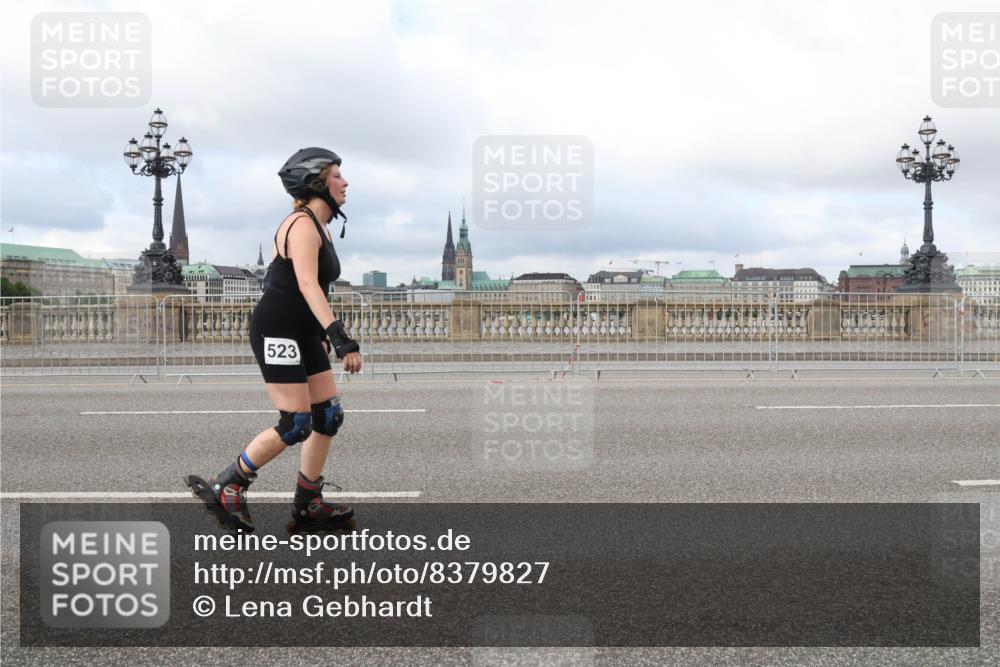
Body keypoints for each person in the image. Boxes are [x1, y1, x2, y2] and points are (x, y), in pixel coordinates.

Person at [186, 147, 362, 533]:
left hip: (301, 329)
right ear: (316, 182)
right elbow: (303, 283)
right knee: (296, 422)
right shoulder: (300, 224)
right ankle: (228, 484)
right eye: (336, 175)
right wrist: (340, 336)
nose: (345, 182)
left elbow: (317, 289)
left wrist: (318, 334)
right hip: (278, 327)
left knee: (327, 417)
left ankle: (307, 503)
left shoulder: (322, 226)